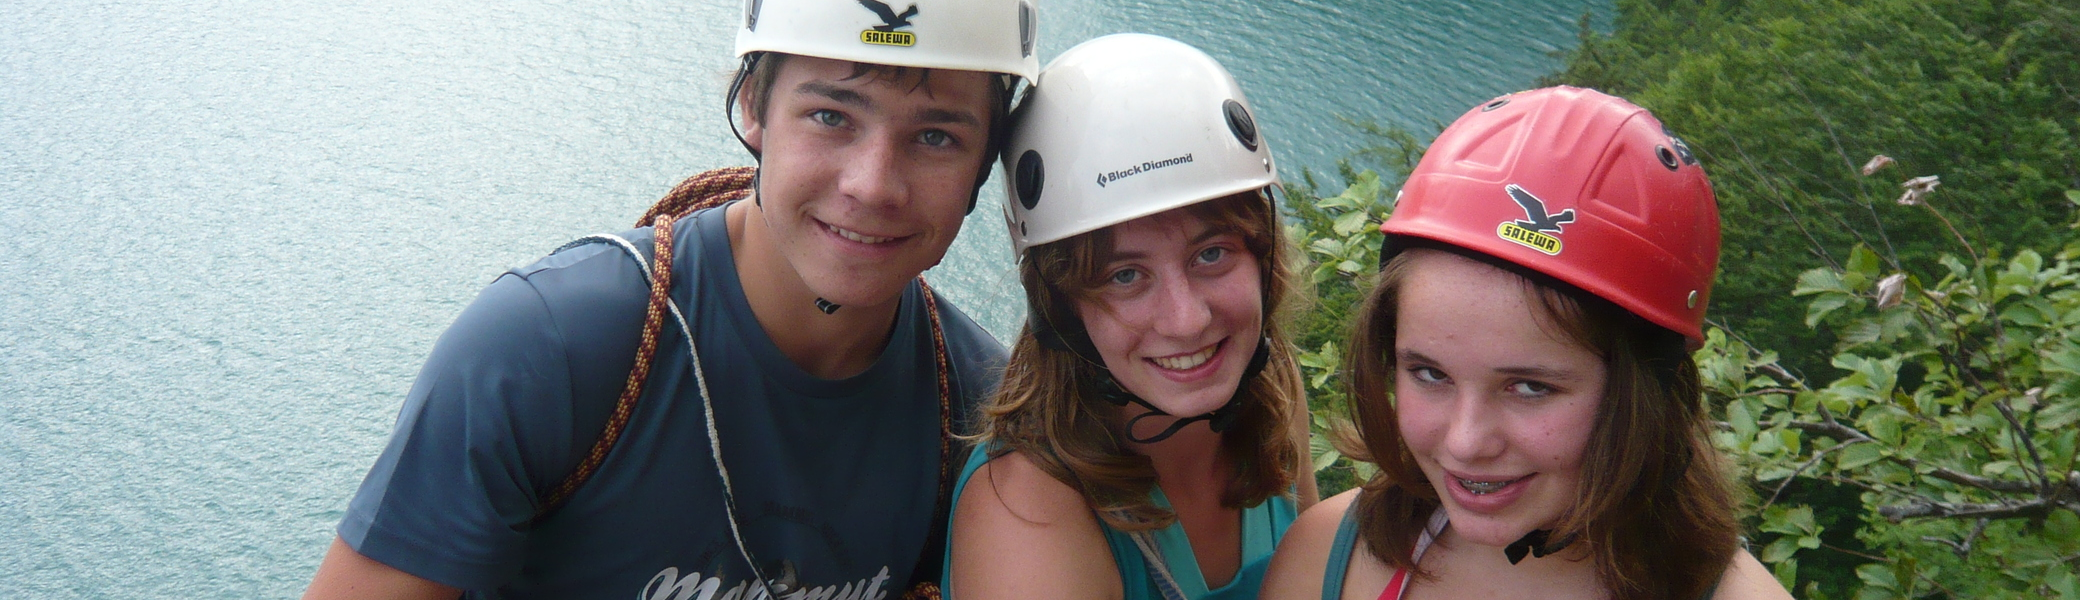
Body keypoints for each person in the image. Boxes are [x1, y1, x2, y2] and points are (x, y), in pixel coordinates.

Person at [301, 0, 1039, 598]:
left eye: (936, 137)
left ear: (985, 164)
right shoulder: (547, 348)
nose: (873, 184)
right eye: (831, 116)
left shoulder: (979, 412)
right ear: (754, 106)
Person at [1259, 87, 1793, 600]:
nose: (1467, 443)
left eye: (1530, 387)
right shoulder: (1326, 555)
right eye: (1429, 374)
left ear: (1649, 388)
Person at [942, 33, 1317, 600]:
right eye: (1125, 276)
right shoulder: (1025, 517)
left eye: (1211, 254)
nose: (1188, 320)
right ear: (1059, 305)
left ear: (1263, 253)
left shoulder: (1270, 386)